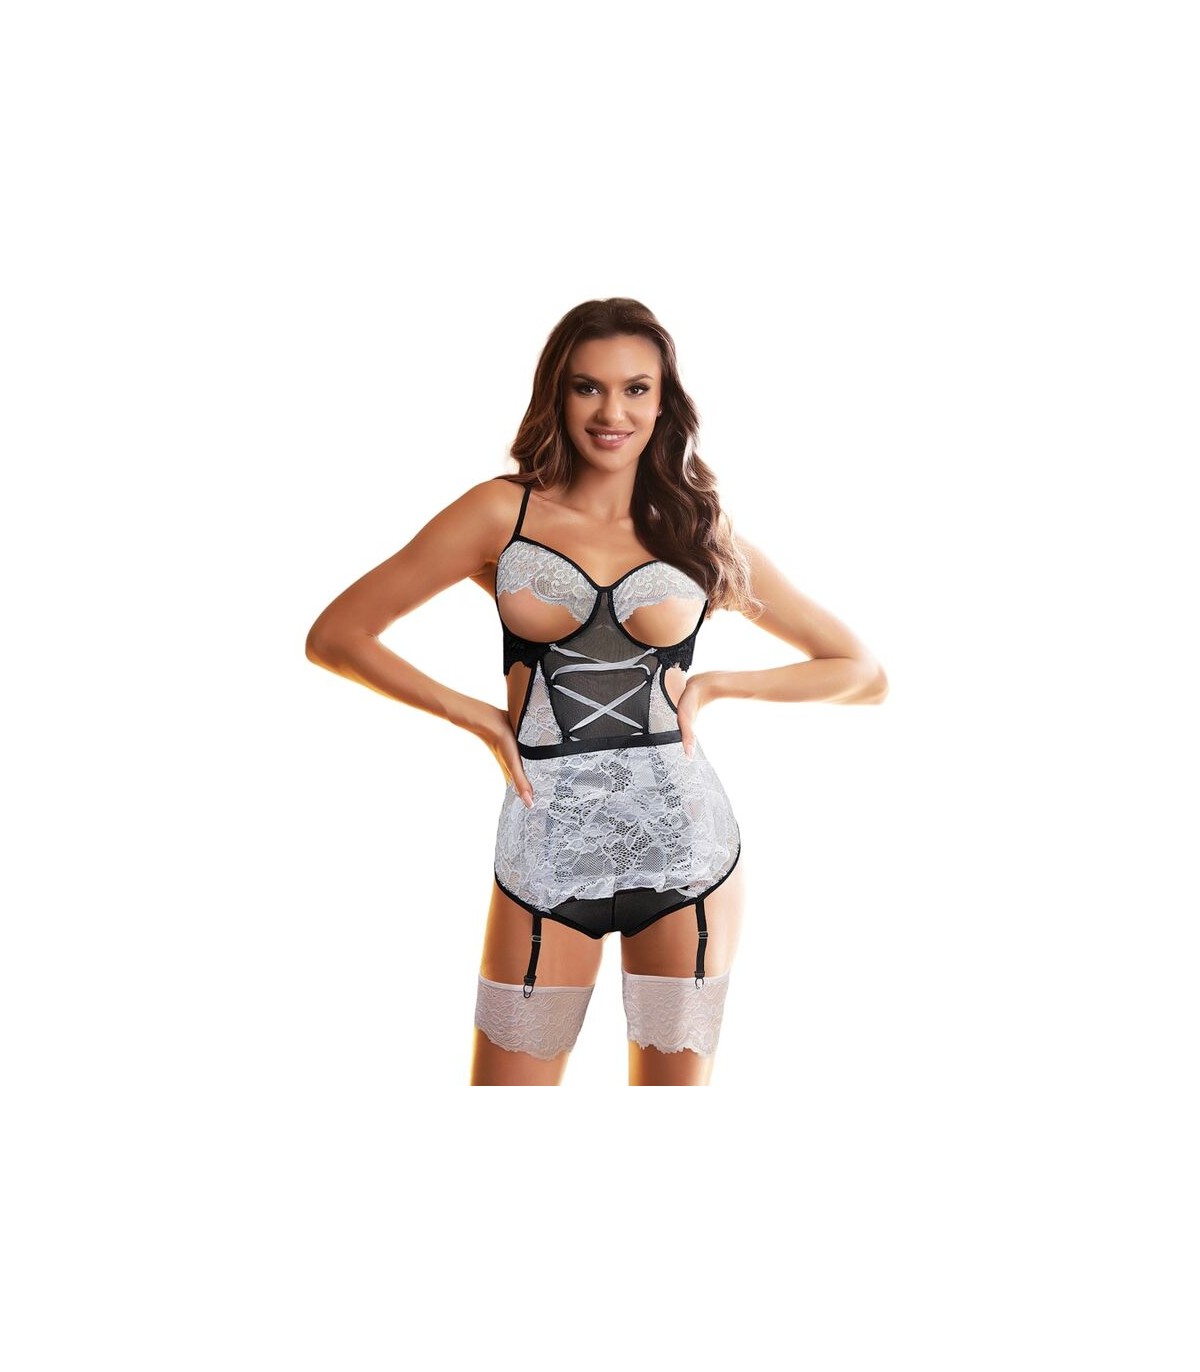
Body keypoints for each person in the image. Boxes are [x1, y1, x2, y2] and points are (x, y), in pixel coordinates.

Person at [305, 298, 888, 1086]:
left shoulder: (694, 527)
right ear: (558, 393)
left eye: (636, 389)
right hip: (547, 844)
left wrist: (720, 684)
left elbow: (860, 672)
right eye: (588, 387)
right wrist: (478, 718)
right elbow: (338, 634)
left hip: (684, 846)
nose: (612, 413)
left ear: (664, 402)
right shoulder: (500, 512)